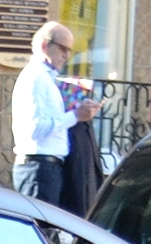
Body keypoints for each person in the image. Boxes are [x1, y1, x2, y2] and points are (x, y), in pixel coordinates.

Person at [13, 21, 97, 209]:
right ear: (44, 45)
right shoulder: (36, 77)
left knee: (49, 233)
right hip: (38, 168)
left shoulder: (46, 78)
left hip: (48, 168)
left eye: (69, 50)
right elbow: (35, 129)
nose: (66, 56)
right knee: (40, 231)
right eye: (62, 49)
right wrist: (75, 115)